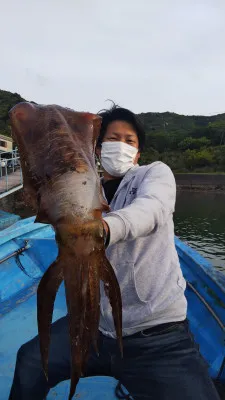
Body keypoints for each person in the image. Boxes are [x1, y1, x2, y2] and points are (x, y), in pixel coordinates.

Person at [9, 104, 220, 400]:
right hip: (92, 328)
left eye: (129, 140)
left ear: (138, 153)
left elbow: (153, 210)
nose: (120, 145)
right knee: (30, 362)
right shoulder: (84, 187)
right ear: (95, 148)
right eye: (112, 138)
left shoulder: (154, 175)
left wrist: (105, 230)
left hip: (158, 336)